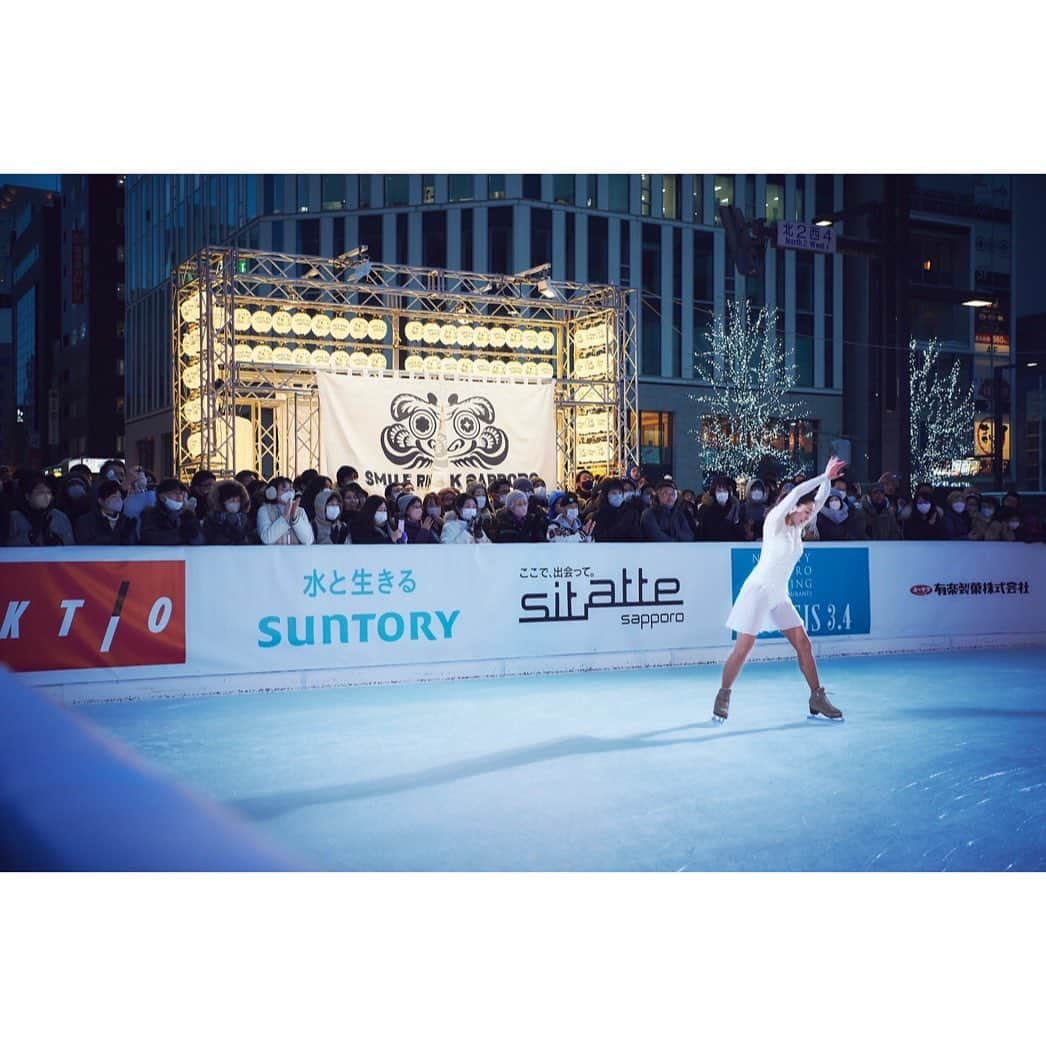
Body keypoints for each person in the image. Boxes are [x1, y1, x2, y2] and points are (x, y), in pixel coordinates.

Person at [712, 456, 848, 724]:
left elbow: (817, 502)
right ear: (793, 507)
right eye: (804, 512)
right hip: (758, 591)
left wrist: (827, 480)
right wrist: (823, 477)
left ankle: (817, 696)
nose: (808, 517)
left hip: (778, 595)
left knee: (803, 643)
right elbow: (798, 492)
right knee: (743, 649)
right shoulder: (774, 520)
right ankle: (723, 695)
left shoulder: (797, 530)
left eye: (810, 515)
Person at [6, 472, 75, 547]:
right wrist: (30, 536)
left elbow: (70, 546)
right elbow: (6, 547)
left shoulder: (59, 517)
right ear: (28, 496)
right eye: (40, 492)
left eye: (49, 492)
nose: (46, 496)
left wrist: (57, 542)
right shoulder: (14, 518)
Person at [139, 479, 205, 546]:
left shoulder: (186, 515)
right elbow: (149, 538)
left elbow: (200, 541)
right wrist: (180, 534)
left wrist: (189, 518)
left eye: (181, 494)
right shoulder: (150, 514)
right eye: (175, 493)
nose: (179, 497)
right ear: (162, 497)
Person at [75, 479, 139, 545]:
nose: (118, 500)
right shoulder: (85, 521)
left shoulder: (127, 521)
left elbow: (134, 545)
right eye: (113, 497)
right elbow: (84, 545)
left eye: (120, 497)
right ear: (101, 501)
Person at [256, 476, 314, 546]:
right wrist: (284, 517)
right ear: (272, 492)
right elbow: (266, 538)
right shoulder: (264, 510)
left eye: (291, 489)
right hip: (272, 556)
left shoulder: (300, 511)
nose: (289, 492)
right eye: (284, 489)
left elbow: (308, 540)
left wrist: (295, 519)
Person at [202, 480, 253, 546]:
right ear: (222, 502)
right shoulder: (212, 519)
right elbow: (214, 539)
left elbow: (249, 539)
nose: (235, 503)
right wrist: (228, 527)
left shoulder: (244, 519)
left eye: (238, 500)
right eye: (231, 500)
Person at [591, 478, 643, 542]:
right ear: (606, 495)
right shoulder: (598, 516)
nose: (618, 495)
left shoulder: (631, 513)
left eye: (620, 492)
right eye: (614, 493)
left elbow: (638, 538)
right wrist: (620, 527)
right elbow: (600, 539)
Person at [697, 476, 744, 542]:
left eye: (724, 490)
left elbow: (741, 534)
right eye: (719, 490)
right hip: (711, 547)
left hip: (731, 547)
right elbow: (701, 533)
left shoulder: (735, 507)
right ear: (714, 492)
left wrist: (736, 521)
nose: (722, 493)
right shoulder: (705, 509)